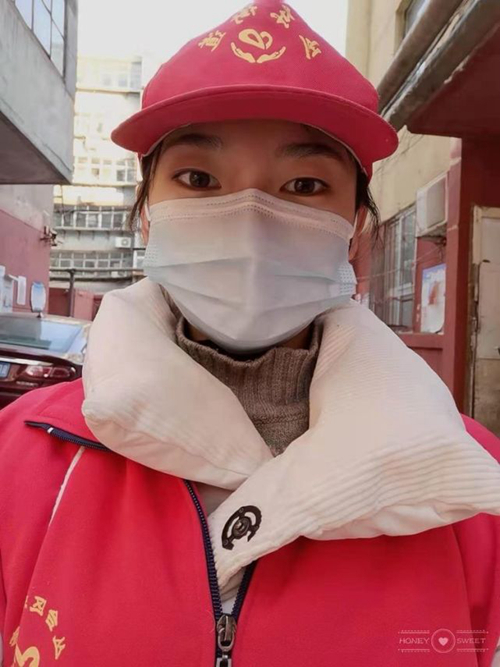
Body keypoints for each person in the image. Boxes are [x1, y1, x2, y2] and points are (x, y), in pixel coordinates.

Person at [1, 2, 500, 665]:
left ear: (356, 231)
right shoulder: (22, 456)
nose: (251, 222)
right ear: (147, 215)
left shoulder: (470, 490)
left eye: (304, 184)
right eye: (198, 179)